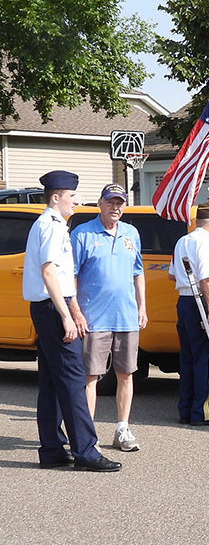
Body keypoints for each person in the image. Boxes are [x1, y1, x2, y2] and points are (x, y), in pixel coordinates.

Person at [25, 171, 121, 472]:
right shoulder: (52, 226)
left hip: (46, 307)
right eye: (72, 196)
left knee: (52, 381)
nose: (77, 201)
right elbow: (49, 273)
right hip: (54, 308)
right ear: (57, 197)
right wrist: (67, 315)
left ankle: (52, 449)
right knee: (74, 381)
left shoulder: (46, 223)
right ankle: (86, 452)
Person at [71, 183, 147, 452]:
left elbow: (138, 272)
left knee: (126, 374)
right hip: (93, 319)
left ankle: (122, 429)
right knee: (91, 376)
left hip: (126, 316)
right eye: (111, 202)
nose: (116, 207)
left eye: (120, 203)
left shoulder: (131, 233)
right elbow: (72, 276)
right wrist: (75, 312)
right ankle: (86, 436)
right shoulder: (82, 234)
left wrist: (142, 307)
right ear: (100, 203)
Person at [169, 204, 209, 426]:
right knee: (205, 357)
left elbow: (172, 276)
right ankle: (202, 411)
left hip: (184, 300)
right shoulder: (206, 242)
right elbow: (205, 279)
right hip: (200, 301)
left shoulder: (183, 240)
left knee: (188, 357)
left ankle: (186, 409)